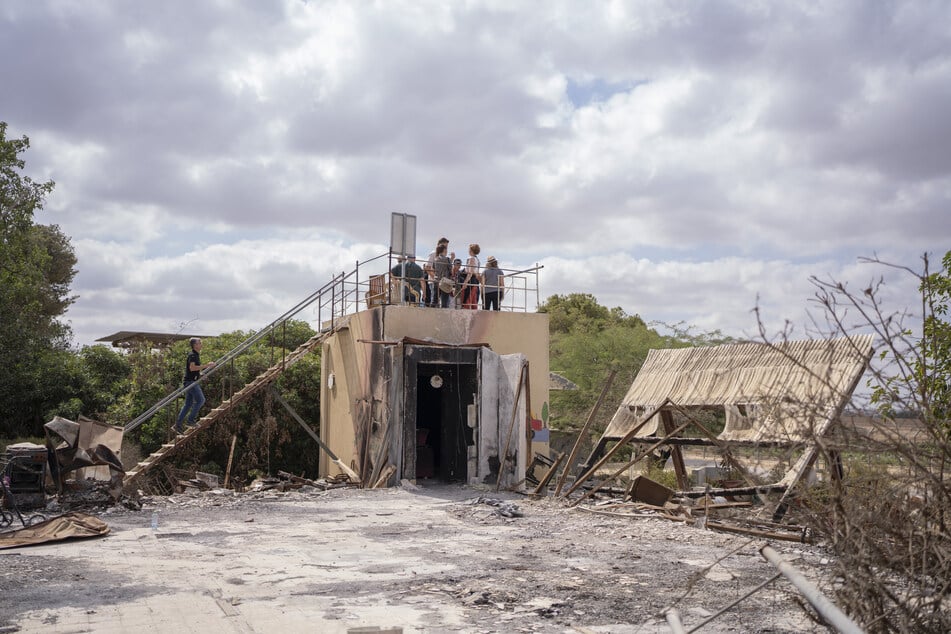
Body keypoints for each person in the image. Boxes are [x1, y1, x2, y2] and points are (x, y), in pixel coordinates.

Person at [174, 337, 215, 434]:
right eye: (199, 343)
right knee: (201, 400)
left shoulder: (195, 355)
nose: (201, 345)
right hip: (191, 382)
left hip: (190, 381)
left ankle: (178, 424)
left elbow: (192, 370)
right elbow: (192, 368)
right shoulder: (193, 355)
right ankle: (190, 421)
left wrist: (200, 374)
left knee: (188, 404)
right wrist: (207, 365)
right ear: (194, 345)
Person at [424, 237, 449, 307]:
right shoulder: (433, 253)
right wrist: (435, 278)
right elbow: (427, 267)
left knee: (443, 302)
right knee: (435, 301)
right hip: (434, 282)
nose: (446, 248)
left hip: (442, 282)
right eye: (445, 246)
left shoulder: (444, 255)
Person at [462, 243, 481, 309]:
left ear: (471, 250)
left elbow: (470, 272)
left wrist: (465, 282)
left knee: (468, 300)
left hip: (471, 281)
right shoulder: (477, 260)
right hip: (475, 281)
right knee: (473, 301)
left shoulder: (472, 259)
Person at [433, 244, 452, 308]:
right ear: (444, 250)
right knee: (444, 302)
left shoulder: (435, 259)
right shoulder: (447, 259)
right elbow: (450, 270)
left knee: (434, 300)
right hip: (445, 282)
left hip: (436, 280)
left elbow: (433, 268)